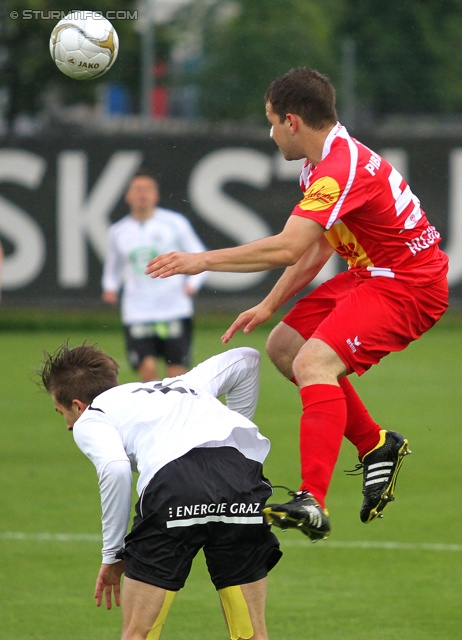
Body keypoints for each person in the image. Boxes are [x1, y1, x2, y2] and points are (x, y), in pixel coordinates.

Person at [145, 67, 449, 541]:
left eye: (270, 123)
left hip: (409, 284)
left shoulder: (338, 169)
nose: (270, 134)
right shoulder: (320, 163)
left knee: (312, 361)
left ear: (292, 121)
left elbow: (288, 247)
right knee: (285, 345)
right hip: (371, 274)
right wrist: (270, 303)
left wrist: (201, 260)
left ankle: (313, 499)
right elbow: (320, 246)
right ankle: (375, 446)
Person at [39, 342, 282, 640]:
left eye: (61, 413)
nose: (67, 426)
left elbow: (115, 468)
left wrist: (114, 554)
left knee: (138, 634)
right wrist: (235, 436)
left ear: (77, 405)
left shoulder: (93, 415)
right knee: (251, 635)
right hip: (240, 482)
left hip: (175, 487)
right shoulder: (183, 384)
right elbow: (246, 358)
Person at [102, 172, 208, 382]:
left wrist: (193, 283)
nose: (142, 194)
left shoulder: (174, 223)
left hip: (174, 307)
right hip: (138, 310)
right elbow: (113, 266)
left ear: (156, 196)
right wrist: (110, 287)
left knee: (176, 375)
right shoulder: (118, 231)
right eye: (137, 189)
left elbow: (199, 254)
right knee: (147, 369)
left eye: (148, 189)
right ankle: (153, 414)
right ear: (127, 196)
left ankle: (175, 413)